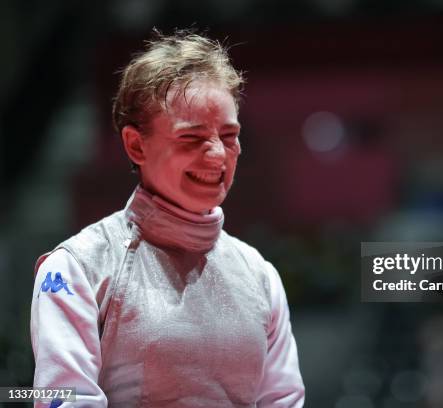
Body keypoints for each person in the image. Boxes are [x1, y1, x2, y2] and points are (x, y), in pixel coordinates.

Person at [30, 30, 305, 407]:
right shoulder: (79, 268)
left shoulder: (260, 276)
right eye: (191, 139)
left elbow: (283, 400)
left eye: (228, 136)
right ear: (136, 145)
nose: (216, 156)